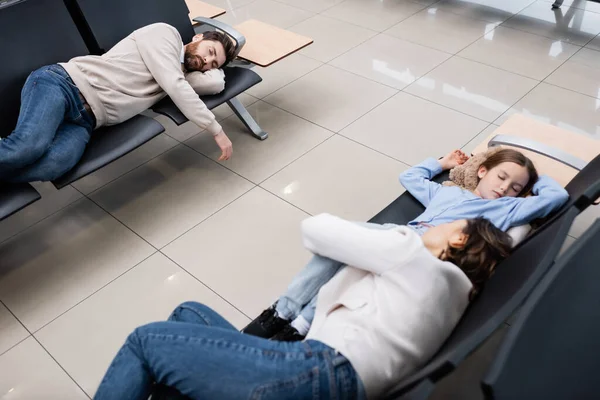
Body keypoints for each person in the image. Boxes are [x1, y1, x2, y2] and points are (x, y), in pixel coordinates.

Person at [94, 214, 512, 400]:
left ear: (457, 241)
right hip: (336, 378)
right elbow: (516, 232)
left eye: (447, 226)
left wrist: (401, 233)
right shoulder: (457, 294)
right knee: (190, 314)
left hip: (318, 370)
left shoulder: (410, 253)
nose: (434, 227)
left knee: (145, 341)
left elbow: (315, 230)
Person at [244, 148, 569, 341]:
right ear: (482, 171)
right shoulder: (448, 191)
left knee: (343, 240)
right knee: (349, 258)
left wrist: (536, 181)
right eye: (501, 177)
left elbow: (558, 197)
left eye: (516, 187)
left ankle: (286, 313)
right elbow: (411, 177)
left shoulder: (509, 208)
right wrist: (441, 163)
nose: (505, 188)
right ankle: (293, 319)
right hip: (402, 236)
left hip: (431, 251)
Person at [0, 23, 236, 183]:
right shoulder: (166, 35)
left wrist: (212, 67)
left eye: (213, 63)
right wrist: (216, 129)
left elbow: (214, 84)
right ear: (198, 36)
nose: (207, 60)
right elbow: (175, 84)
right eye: (209, 51)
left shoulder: (181, 75)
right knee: (28, 148)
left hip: (86, 122)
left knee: (54, 165)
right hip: (64, 84)